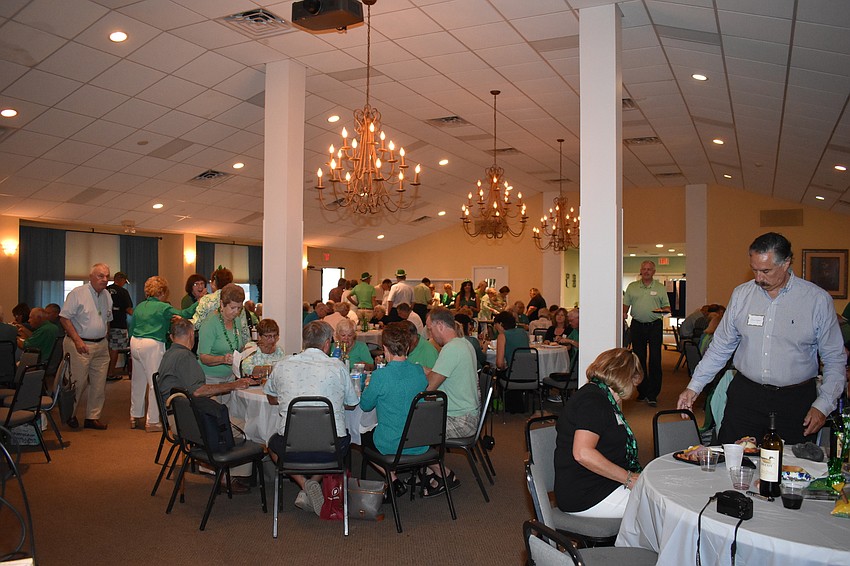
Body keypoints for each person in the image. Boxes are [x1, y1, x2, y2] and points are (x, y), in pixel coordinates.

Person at [677, 232, 847, 444]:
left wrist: (823, 405)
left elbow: (834, 358)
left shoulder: (817, 301)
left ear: (786, 264)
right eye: (755, 270)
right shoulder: (742, 295)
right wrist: (694, 386)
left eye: (765, 271)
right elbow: (721, 347)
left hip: (795, 401)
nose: (758, 278)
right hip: (747, 396)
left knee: (791, 469)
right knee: (732, 462)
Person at [264, 321, 359, 515]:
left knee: (271, 445)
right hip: (332, 446)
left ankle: (305, 484)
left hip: (292, 446)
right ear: (326, 344)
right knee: (331, 443)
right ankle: (311, 484)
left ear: (304, 342)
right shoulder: (338, 367)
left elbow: (271, 398)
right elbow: (351, 403)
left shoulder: (283, 365)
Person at [157, 317, 256, 493]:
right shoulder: (185, 357)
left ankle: (222, 469)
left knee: (223, 412)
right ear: (190, 335)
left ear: (172, 337)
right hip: (186, 422)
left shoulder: (169, 354)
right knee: (247, 426)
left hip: (175, 415)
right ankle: (229, 475)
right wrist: (233, 384)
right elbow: (198, 391)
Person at [554, 348, 643, 518]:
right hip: (584, 494)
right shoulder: (593, 401)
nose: (634, 389)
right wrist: (628, 478)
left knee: (657, 499)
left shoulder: (599, 396)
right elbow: (583, 453)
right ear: (625, 378)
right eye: (634, 383)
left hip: (597, 483)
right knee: (659, 510)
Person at [359, 322, 429, 497]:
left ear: (385, 348)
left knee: (361, 437)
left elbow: (365, 405)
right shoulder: (419, 371)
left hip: (392, 444)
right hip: (419, 441)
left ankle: (392, 478)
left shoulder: (381, 376)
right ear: (408, 346)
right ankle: (394, 480)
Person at [423, 307, 480, 497]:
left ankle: (444, 474)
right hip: (467, 413)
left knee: (410, 431)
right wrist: (424, 370)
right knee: (418, 422)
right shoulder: (464, 344)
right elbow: (443, 374)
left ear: (440, 325)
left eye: (430, 329)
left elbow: (430, 386)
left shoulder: (451, 349)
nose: (430, 333)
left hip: (460, 419)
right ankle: (427, 470)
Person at [129, 276, 197, 432]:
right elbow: (184, 313)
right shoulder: (163, 307)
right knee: (155, 383)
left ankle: (134, 416)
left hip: (135, 342)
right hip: (152, 344)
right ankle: (152, 421)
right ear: (163, 292)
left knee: (137, 381)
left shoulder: (139, 306)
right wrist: (199, 303)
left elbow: (131, 327)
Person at [60, 263, 113, 430]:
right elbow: (64, 318)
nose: (105, 279)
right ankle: (70, 415)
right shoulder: (78, 293)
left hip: (101, 345)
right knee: (77, 383)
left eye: (107, 276)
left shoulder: (107, 295)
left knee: (99, 384)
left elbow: (107, 320)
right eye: (100, 276)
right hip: (79, 345)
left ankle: (92, 417)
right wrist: (77, 341)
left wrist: (105, 337)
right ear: (91, 277)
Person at [623, 260, 670, 406]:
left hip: (655, 325)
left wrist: (664, 311)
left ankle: (653, 394)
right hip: (637, 325)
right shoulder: (632, 287)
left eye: (649, 269)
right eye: (644, 269)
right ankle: (642, 392)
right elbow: (625, 307)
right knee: (639, 359)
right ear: (640, 271)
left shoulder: (660, 288)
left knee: (655, 359)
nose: (646, 271)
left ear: (654, 272)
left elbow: (667, 307)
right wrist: (622, 315)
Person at [198, 284, 248, 384]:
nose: (236, 312)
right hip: (210, 378)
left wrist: (246, 349)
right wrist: (223, 359)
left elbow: (237, 345)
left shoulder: (236, 320)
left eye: (239, 308)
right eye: (233, 308)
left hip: (231, 376)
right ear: (222, 304)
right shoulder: (210, 324)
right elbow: (203, 357)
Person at [192, 268, 250, 345]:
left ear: (214, 282)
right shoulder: (237, 301)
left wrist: (183, 321)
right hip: (234, 344)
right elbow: (244, 330)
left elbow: (197, 324)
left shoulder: (207, 300)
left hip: (211, 345)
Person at [107, 271, 134, 381]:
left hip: (105, 325)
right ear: (122, 280)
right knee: (115, 349)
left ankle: (104, 372)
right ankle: (111, 373)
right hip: (119, 324)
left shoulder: (105, 290)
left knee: (107, 349)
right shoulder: (123, 292)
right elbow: (128, 309)